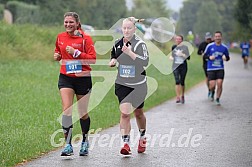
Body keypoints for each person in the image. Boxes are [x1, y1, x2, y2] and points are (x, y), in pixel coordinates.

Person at [53, 12, 96, 156]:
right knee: (67, 110)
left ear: (77, 23)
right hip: (66, 77)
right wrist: (57, 55)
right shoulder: (60, 37)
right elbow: (58, 51)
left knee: (83, 113)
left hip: (83, 78)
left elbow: (92, 59)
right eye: (66, 22)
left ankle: (84, 141)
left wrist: (77, 53)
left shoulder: (86, 38)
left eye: (71, 22)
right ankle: (68, 145)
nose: (68, 25)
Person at [109, 17, 149, 155]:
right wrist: (113, 61)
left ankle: (142, 137)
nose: (126, 30)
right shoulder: (117, 43)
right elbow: (113, 54)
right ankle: (125, 143)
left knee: (138, 113)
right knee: (125, 113)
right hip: (122, 83)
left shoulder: (140, 44)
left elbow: (145, 62)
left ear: (134, 29)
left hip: (138, 85)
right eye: (124, 28)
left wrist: (130, 53)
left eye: (129, 28)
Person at [203, 31, 230, 105]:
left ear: (221, 37)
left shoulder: (224, 47)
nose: (217, 38)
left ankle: (217, 99)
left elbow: (228, 57)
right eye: (216, 36)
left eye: (219, 36)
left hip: (220, 68)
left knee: (220, 83)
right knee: (212, 85)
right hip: (211, 68)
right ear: (214, 38)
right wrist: (209, 57)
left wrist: (226, 58)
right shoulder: (210, 46)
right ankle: (212, 92)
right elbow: (204, 56)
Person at [169, 35, 190, 104]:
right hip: (175, 66)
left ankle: (182, 95)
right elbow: (172, 55)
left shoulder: (185, 47)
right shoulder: (174, 47)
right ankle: (178, 97)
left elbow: (188, 57)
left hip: (183, 66)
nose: (178, 40)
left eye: (179, 39)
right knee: (177, 81)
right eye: (177, 39)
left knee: (182, 82)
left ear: (182, 40)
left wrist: (182, 55)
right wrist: (171, 58)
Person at [197, 32, 214, 98]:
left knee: (213, 79)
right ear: (205, 38)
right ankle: (209, 89)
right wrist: (202, 53)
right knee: (208, 78)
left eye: (209, 39)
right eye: (207, 39)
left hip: (213, 63)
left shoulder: (213, 44)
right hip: (206, 63)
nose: (208, 40)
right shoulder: (202, 44)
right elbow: (198, 52)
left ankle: (213, 90)